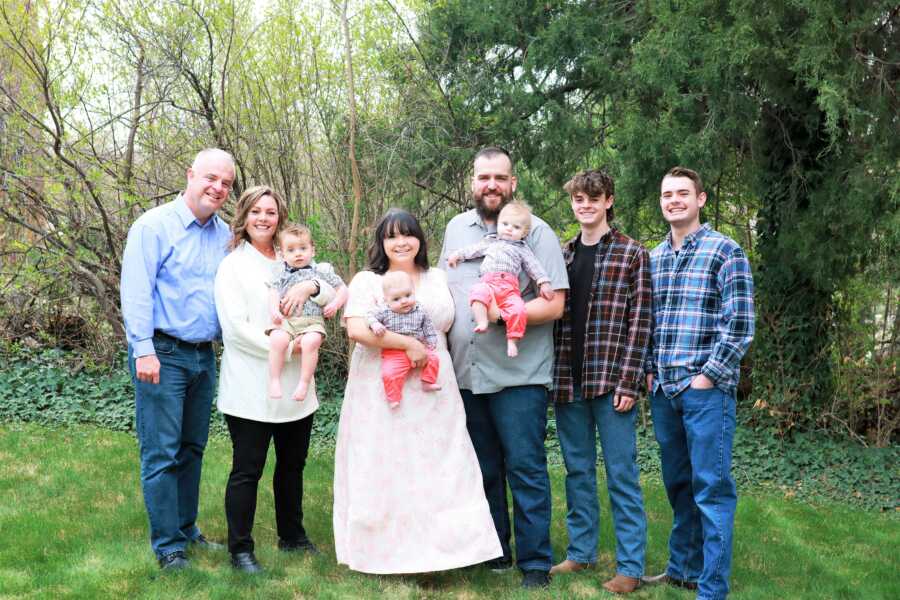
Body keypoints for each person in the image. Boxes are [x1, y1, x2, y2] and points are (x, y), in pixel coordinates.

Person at [333, 208, 502, 574]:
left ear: (420, 240)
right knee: (386, 464)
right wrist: (408, 346)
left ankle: (444, 552)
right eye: (392, 236)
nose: (401, 242)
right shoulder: (367, 280)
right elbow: (358, 330)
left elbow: (448, 322)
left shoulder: (437, 276)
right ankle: (382, 551)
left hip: (432, 388)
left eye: (408, 234)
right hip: (380, 387)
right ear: (382, 242)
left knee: (438, 466)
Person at [439, 147, 568, 589]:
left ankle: (534, 562)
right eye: (483, 177)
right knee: (484, 468)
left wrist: (499, 316)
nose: (490, 185)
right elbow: (444, 294)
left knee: (525, 467)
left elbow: (554, 305)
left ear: (512, 183)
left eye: (499, 178)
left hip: (518, 375)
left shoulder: (537, 232)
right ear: (472, 182)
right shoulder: (457, 229)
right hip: (466, 372)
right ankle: (495, 551)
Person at [642, 167, 754, 599]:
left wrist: (708, 376)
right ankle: (683, 569)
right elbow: (650, 322)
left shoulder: (725, 251)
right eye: (667, 194)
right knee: (679, 485)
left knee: (712, 489)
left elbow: (740, 325)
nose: (674, 200)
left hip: (706, 392)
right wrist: (651, 369)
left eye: (682, 193)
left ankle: (712, 586)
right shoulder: (654, 257)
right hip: (664, 390)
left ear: (701, 199)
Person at [120, 148, 234, 569]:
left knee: (192, 449)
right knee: (161, 453)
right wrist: (144, 349)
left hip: (204, 357)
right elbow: (135, 291)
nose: (217, 188)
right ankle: (168, 546)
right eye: (211, 178)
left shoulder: (224, 235)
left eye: (225, 183)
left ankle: (187, 530)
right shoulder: (154, 227)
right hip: (162, 354)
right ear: (189, 175)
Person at [214, 185, 336, 573]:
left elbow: (332, 289)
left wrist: (312, 286)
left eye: (270, 212)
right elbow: (234, 328)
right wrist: (287, 348)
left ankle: (293, 536)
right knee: (247, 468)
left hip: (297, 387)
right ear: (244, 217)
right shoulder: (233, 265)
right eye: (256, 212)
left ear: (279, 216)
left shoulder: (293, 256)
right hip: (252, 383)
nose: (264, 218)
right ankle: (241, 549)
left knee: (292, 465)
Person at [550, 169, 651, 594]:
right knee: (576, 471)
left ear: (608, 201)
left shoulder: (632, 254)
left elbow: (640, 321)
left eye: (593, 198)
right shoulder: (563, 253)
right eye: (578, 199)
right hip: (567, 382)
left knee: (622, 474)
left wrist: (629, 382)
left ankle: (631, 566)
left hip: (612, 383)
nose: (585, 205)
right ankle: (581, 552)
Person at [445, 201, 554, 357]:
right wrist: (458, 255)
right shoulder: (492, 241)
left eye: (516, 227)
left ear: (524, 232)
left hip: (509, 288)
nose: (509, 229)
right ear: (498, 225)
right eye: (505, 224)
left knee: (519, 309)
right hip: (488, 283)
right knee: (477, 293)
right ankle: (482, 321)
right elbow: (474, 250)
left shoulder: (522, 248)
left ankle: (513, 339)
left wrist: (543, 282)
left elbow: (534, 266)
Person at [266, 223, 347, 401]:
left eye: (303, 248)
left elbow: (342, 289)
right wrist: (274, 310)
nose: (298, 253)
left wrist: (335, 304)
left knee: (312, 341)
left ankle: (304, 383)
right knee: (277, 339)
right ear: (282, 254)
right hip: (288, 320)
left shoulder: (321, 270)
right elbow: (273, 292)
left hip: (312, 321)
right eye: (291, 250)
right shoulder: (282, 273)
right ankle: (274, 380)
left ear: (313, 250)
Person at [367, 270, 442, 409]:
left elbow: (428, 327)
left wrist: (431, 342)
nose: (404, 301)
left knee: (434, 359)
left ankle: (427, 381)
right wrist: (375, 324)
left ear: (414, 291)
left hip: (419, 348)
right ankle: (393, 397)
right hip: (394, 351)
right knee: (389, 373)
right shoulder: (385, 310)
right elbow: (369, 316)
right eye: (396, 299)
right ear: (386, 299)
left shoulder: (420, 310)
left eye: (408, 295)